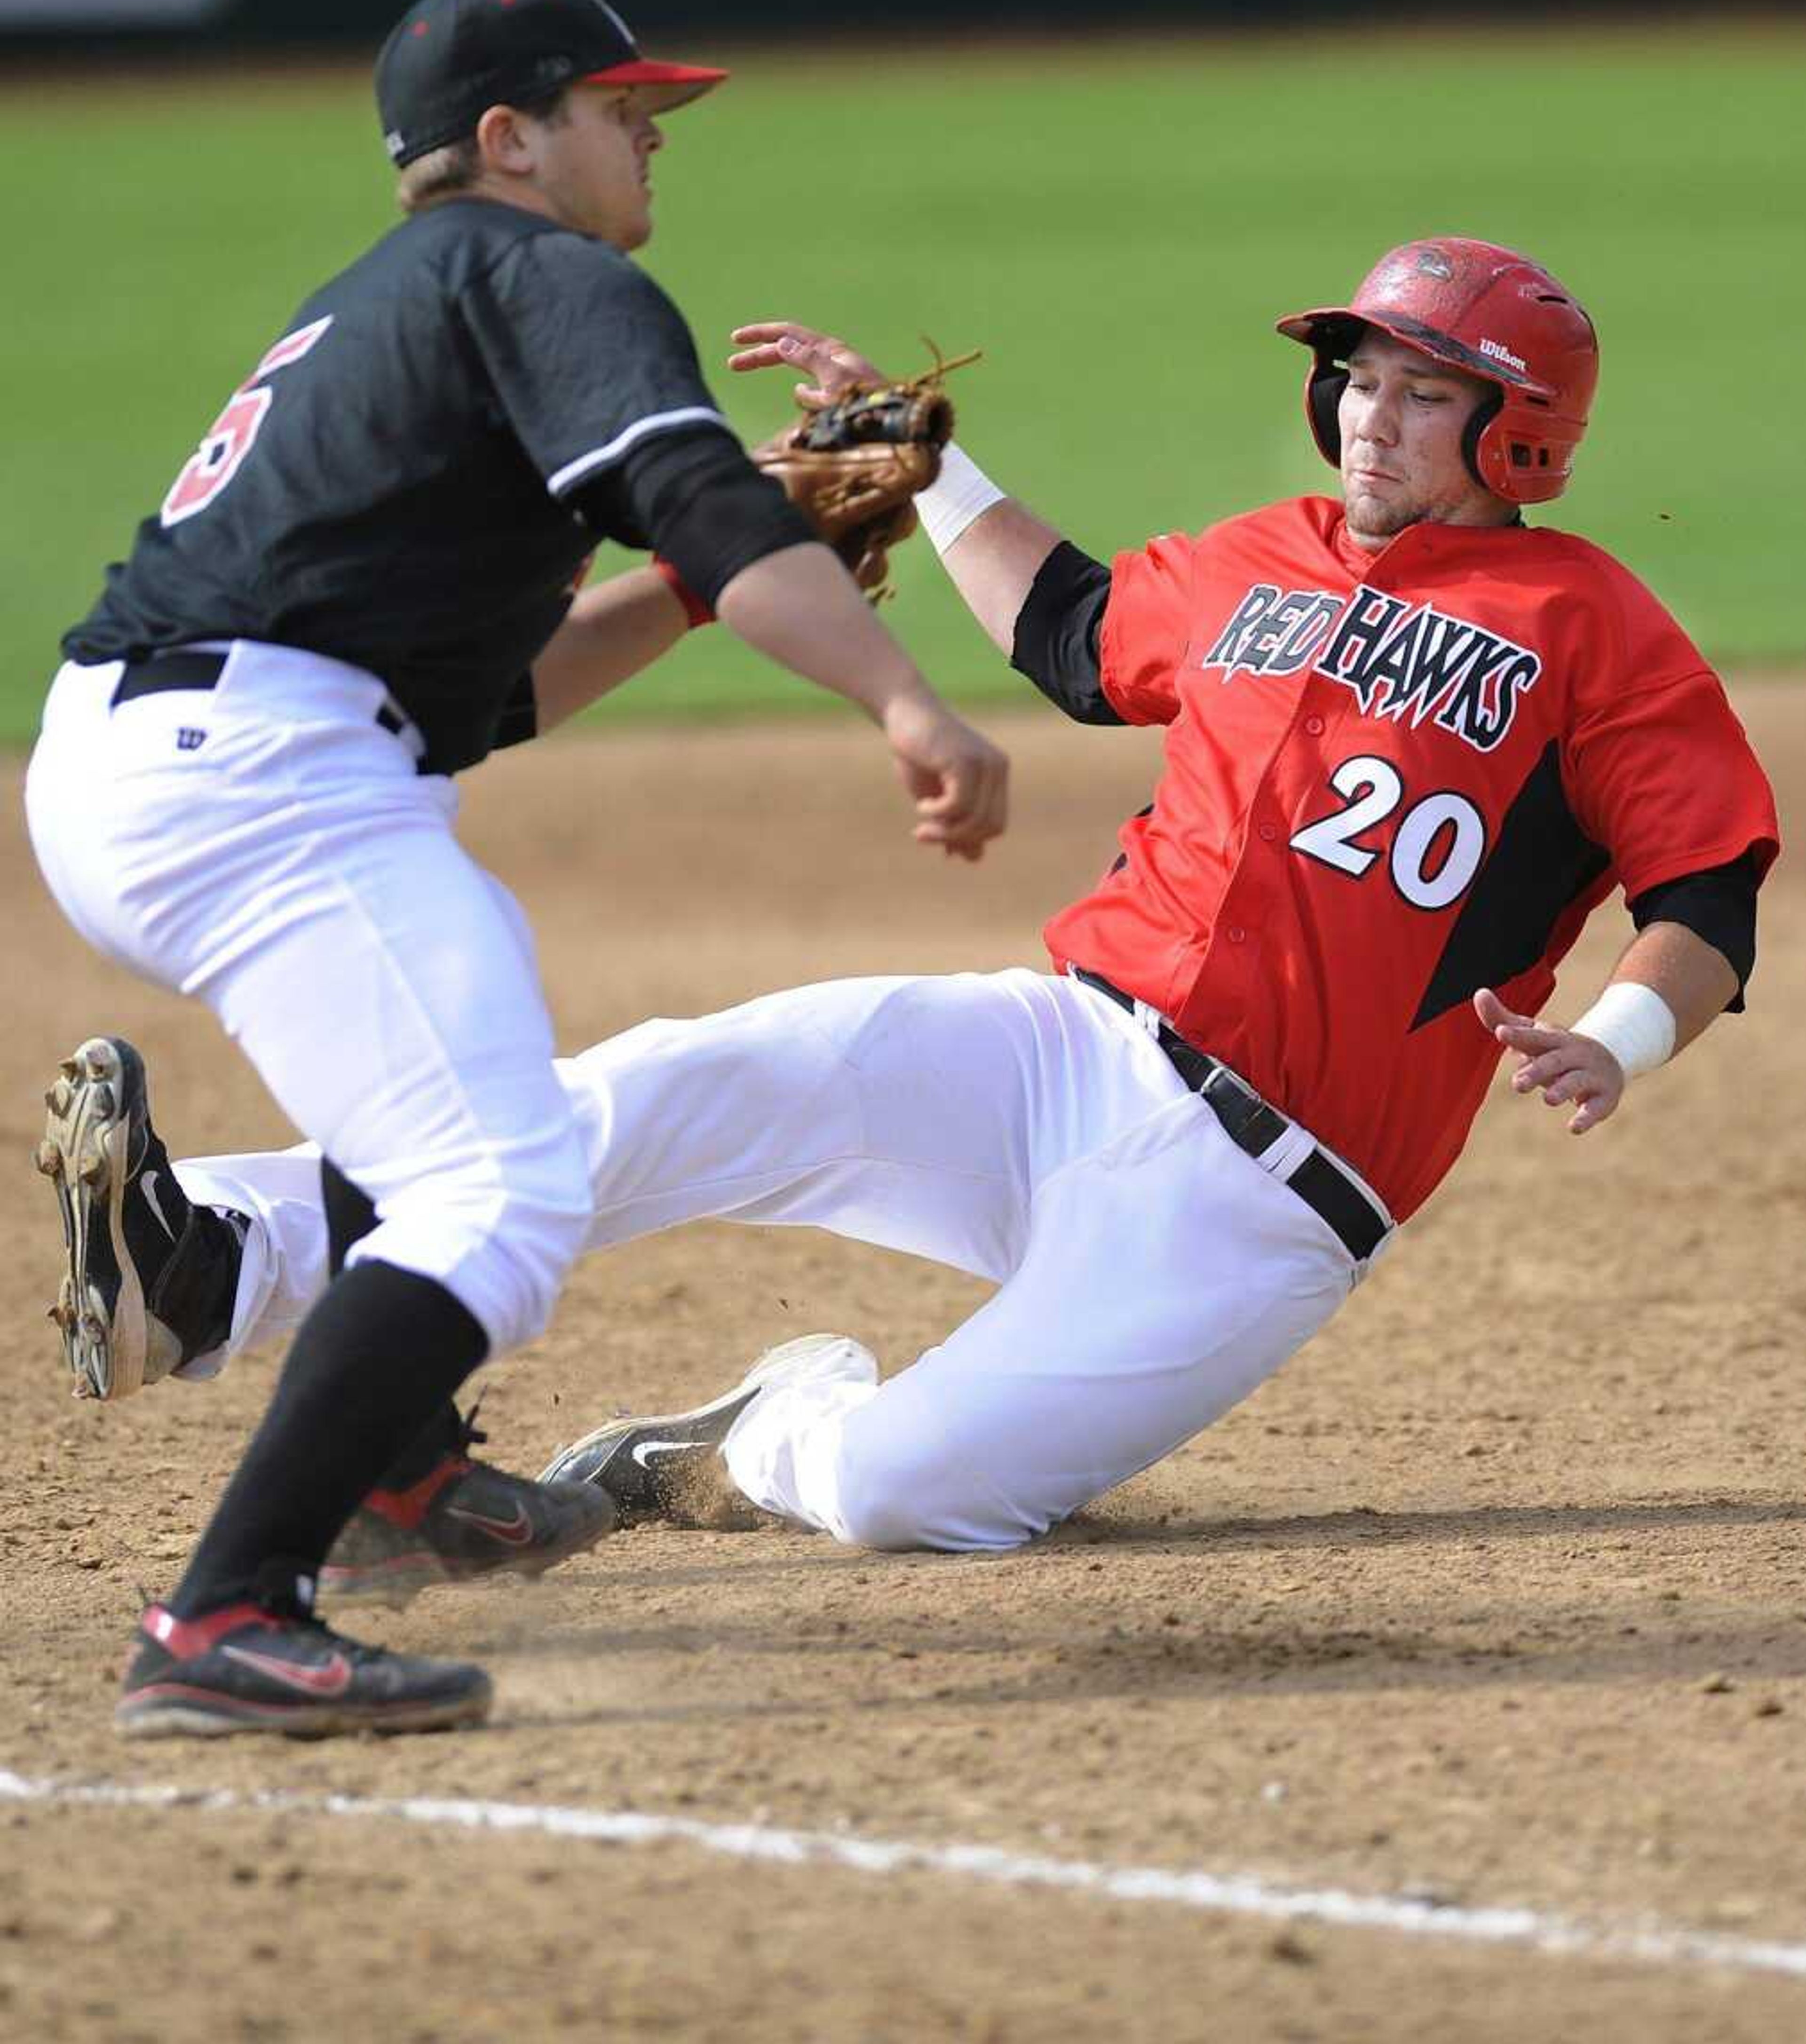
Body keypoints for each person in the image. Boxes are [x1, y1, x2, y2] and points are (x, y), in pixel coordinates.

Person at [40, 237, 1775, 1591]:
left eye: (1420, 391)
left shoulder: (1586, 622)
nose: (1369, 417)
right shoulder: (1272, 555)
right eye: (1361, 382)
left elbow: (1706, 876)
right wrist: (921, 458)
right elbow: (1074, 633)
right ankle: (209, 1262)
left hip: (1261, 1207)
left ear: (1518, 428)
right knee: (660, 1089)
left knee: (907, 1496)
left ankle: (758, 1435)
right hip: (1061, 1047)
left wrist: (1624, 1033)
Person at [24, 0, 1007, 1741]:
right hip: (254, 774)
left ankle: (400, 1482)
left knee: (433, 1112)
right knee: (503, 1187)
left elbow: (485, 700)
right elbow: (703, 495)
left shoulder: (396, 306)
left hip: (176, 755)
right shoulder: (546, 274)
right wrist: (903, 704)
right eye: (620, 109)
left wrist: (711, 589)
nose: (649, 138)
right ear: (508, 139)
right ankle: (224, 1615)